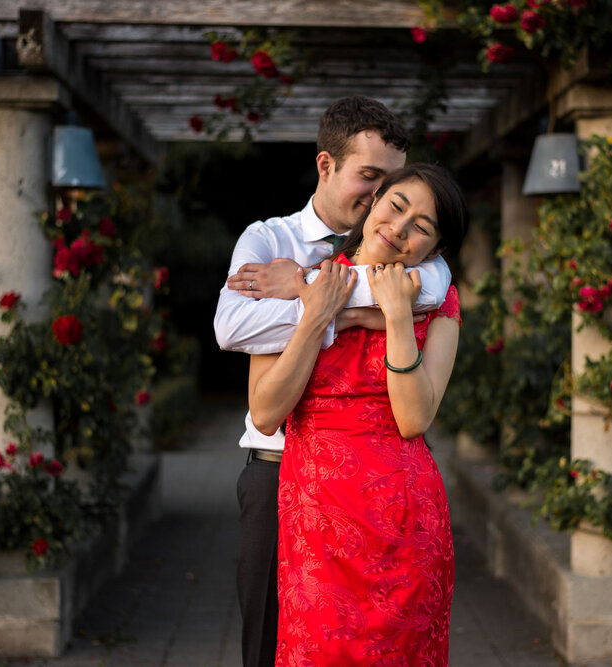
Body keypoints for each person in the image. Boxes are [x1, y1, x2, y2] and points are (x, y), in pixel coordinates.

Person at [213, 97, 453, 667]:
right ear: (326, 166)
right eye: (368, 179)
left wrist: (302, 288)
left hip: (384, 497)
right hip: (278, 477)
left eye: (388, 185)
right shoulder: (269, 240)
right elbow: (232, 326)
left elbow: (433, 290)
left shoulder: (419, 257)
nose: (378, 203)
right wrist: (329, 306)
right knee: (270, 648)